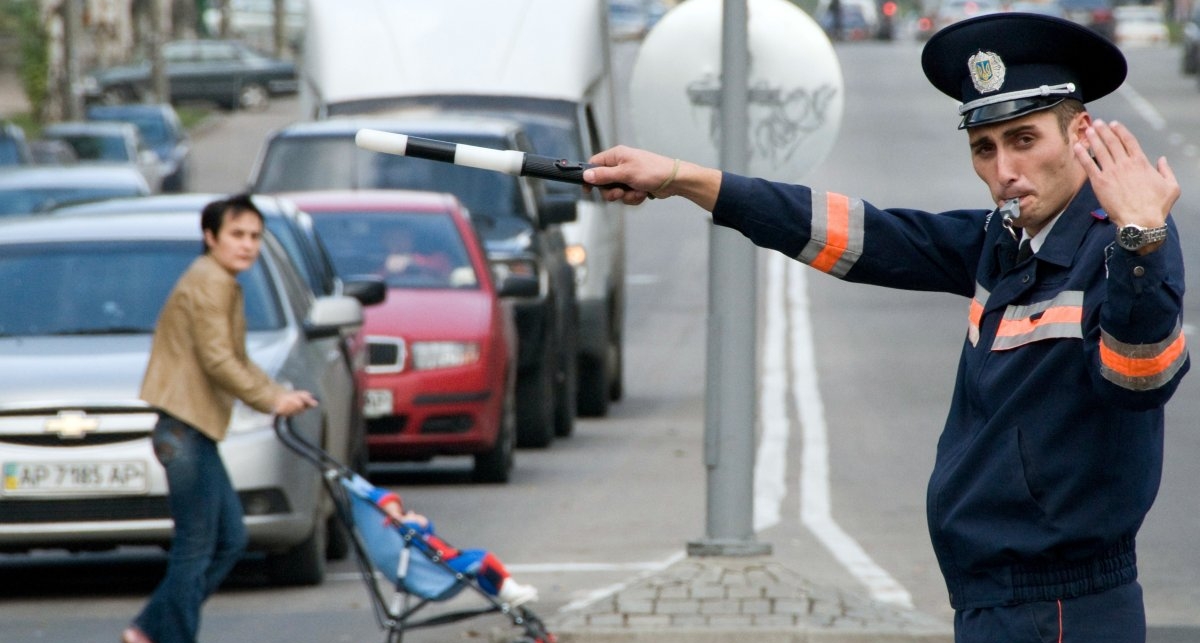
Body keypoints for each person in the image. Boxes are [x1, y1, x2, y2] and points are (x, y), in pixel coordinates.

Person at [583, 12, 1187, 643]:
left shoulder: (1124, 245)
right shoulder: (1004, 241)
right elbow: (867, 236)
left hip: (1063, 609)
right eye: (985, 147)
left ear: (1080, 132)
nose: (1005, 169)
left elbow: (1138, 383)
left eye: (1025, 139)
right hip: (991, 602)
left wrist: (1141, 240)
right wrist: (684, 179)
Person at [123, 194, 320, 643]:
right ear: (210, 237)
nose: (247, 245)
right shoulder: (210, 282)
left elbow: (236, 358)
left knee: (229, 540)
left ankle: (147, 630)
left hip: (196, 431)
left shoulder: (221, 281)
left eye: (254, 237)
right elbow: (218, 362)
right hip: (183, 430)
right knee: (197, 548)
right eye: (237, 235)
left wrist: (279, 393)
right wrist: (270, 402)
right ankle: (166, 635)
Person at [343, 472, 540, 607]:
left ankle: (504, 591)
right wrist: (419, 522)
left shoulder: (396, 533)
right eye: (404, 513)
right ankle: (508, 591)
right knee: (483, 560)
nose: (410, 513)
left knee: (479, 560)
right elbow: (423, 531)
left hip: (437, 566)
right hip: (442, 569)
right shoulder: (405, 530)